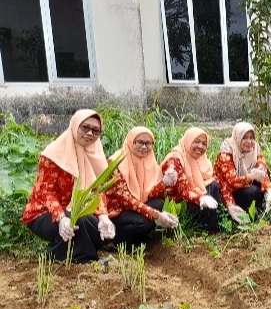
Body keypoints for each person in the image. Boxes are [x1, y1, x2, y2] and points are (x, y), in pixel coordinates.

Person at [22, 109, 115, 263]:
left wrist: (104, 218)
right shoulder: (52, 154)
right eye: (85, 127)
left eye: (95, 130)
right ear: (74, 126)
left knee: (101, 229)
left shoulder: (94, 154)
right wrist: (61, 218)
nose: (90, 133)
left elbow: (97, 191)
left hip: (77, 211)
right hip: (44, 214)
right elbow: (46, 192)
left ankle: (55, 252)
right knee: (78, 220)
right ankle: (84, 259)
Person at [105, 127, 180, 248]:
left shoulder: (149, 161)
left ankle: (138, 239)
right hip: (118, 210)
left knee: (159, 203)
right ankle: (114, 241)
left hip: (138, 206)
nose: (144, 147)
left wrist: (165, 183)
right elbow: (126, 200)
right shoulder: (116, 162)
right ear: (131, 142)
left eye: (148, 143)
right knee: (145, 223)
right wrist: (155, 214)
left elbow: (150, 194)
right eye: (140, 142)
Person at [160, 127, 222, 233]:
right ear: (188, 141)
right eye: (196, 142)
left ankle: (217, 224)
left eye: (204, 143)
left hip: (194, 195)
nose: (200, 146)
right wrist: (200, 198)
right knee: (205, 196)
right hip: (179, 202)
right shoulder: (175, 160)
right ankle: (194, 227)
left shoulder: (201, 159)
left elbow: (209, 178)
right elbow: (181, 190)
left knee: (213, 185)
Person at [214, 122, 271, 222]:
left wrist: (269, 191)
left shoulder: (255, 149)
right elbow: (231, 182)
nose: (249, 141)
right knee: (252, 191)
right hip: (228, 190)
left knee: (265, 172)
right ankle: (242, 212)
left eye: (252, 138)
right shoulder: (226, 152)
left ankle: (260, 209)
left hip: (245, 183)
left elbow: (262, 168)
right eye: (245, 138)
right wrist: (230, 204)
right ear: (237, 137)